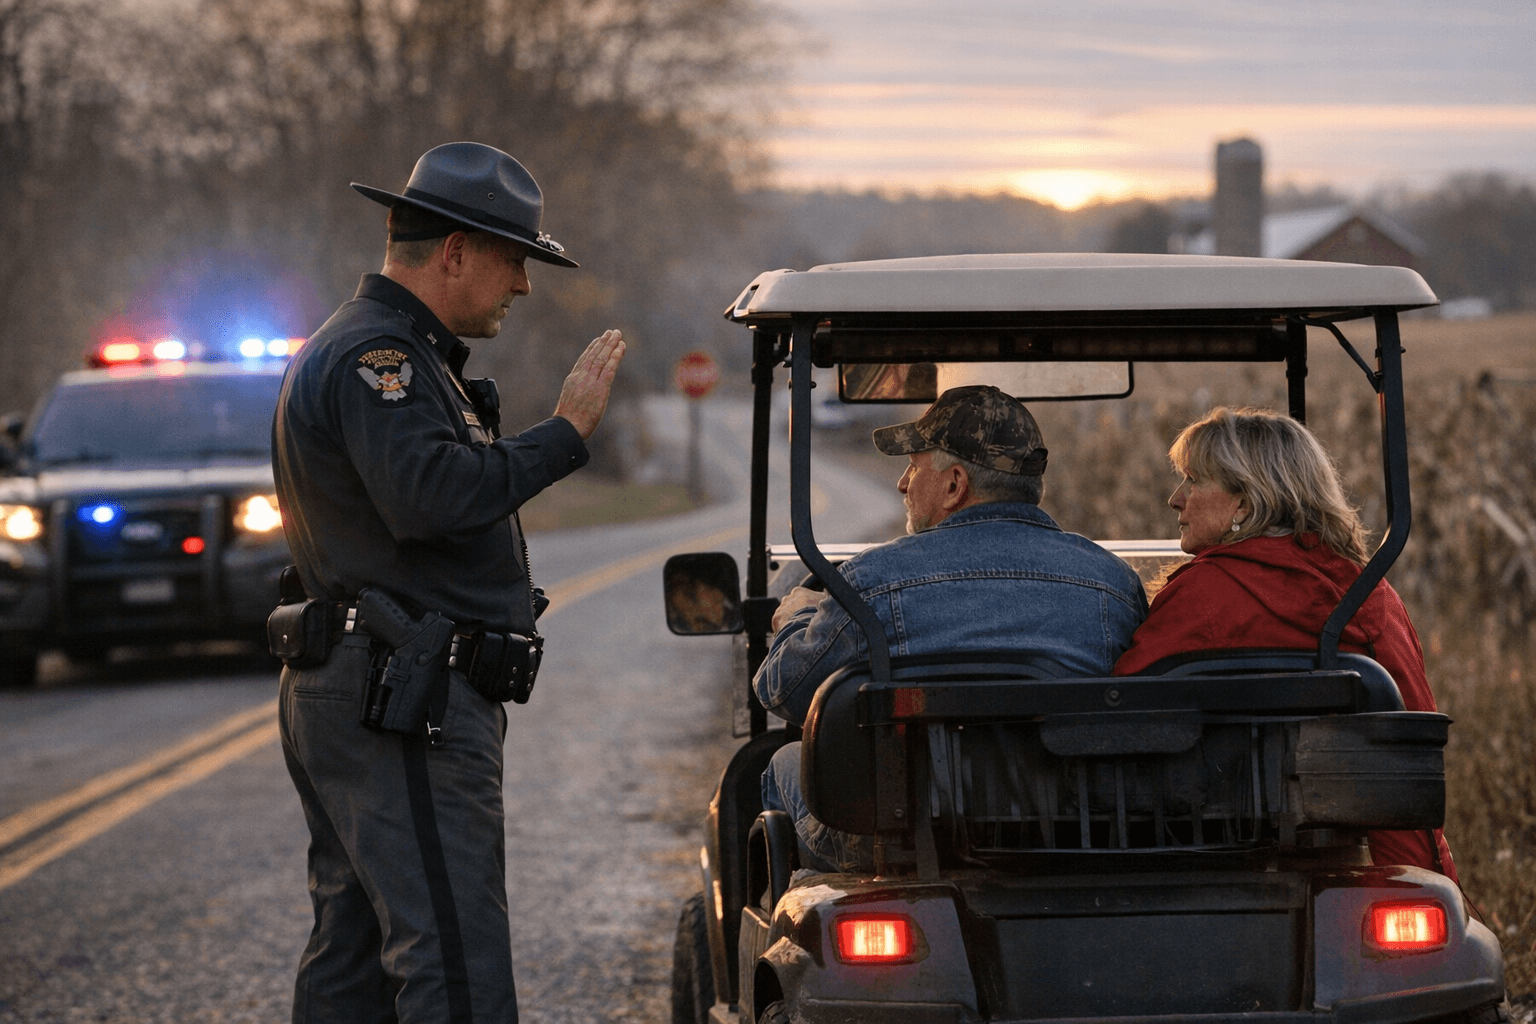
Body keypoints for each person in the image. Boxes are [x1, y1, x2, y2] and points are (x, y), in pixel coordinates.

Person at [271, 142, 625, 1023]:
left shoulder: (392, 351)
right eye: (515, 259)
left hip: (377, 683)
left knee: (353, 959)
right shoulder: (378, 357)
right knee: (453, 957)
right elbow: (428, 497)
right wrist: (565, 434)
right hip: (401, 693)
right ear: (457, 250)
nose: (524, 285)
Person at [755, 385, 1148, 872]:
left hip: (909, 846)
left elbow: (786, 692)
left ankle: (792, 928)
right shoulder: (1113, 583)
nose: (902, 483)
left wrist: (796, 616)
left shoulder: (871, 583)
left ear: (954, 484)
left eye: (913, 466)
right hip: (1072, 835)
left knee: (784, 765)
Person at [1112, 406, 1457, 881]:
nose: (1177, 499)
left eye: (1193, 481)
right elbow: (1408, 755)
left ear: (1245, 505)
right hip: (1339, 856)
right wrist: (1420, 881)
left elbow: (1117, 722)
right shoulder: (1370, 596)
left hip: (1199, 854)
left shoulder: (1200, 596)